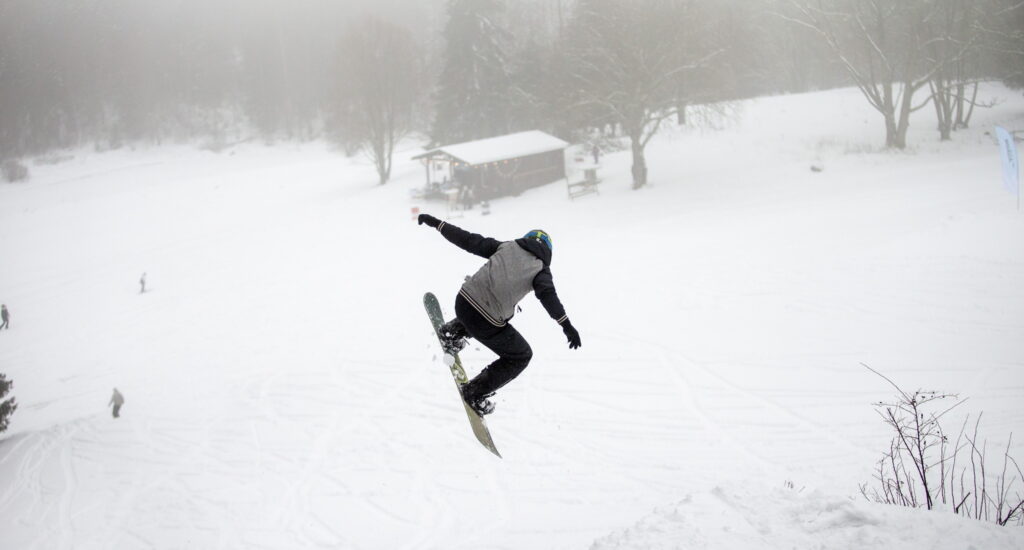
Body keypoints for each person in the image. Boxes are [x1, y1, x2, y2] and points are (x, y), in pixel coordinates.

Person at [417, 214, 581, 415]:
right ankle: (474, 392)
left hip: (462, 302)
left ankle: (452, 332)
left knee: (481, 307)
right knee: (521, 355)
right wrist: (566, 326)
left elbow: (469, 240)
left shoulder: (507, 246)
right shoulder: (541, 270)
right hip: (485, 322)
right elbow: (548, 297)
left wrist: (437, 223)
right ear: (548, 252)